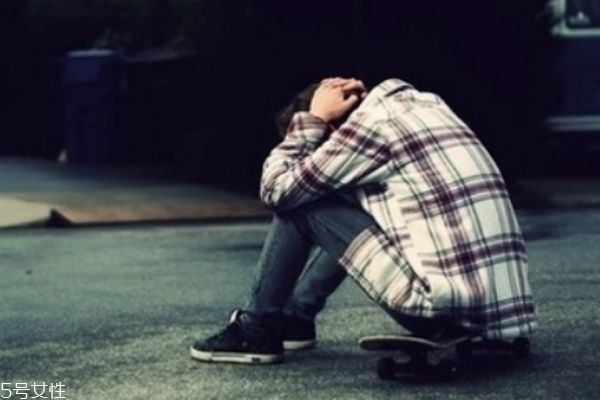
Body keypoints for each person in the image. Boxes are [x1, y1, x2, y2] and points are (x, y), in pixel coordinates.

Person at [190, 77, 537, 364]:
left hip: (440, 309)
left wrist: (309, 124)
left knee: (299, 204)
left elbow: (276, 190)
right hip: (500, 309)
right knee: (349, 200)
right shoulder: (426, 105)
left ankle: (255, 329)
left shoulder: (366, 130)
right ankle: (295, 317)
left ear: (333, 125)